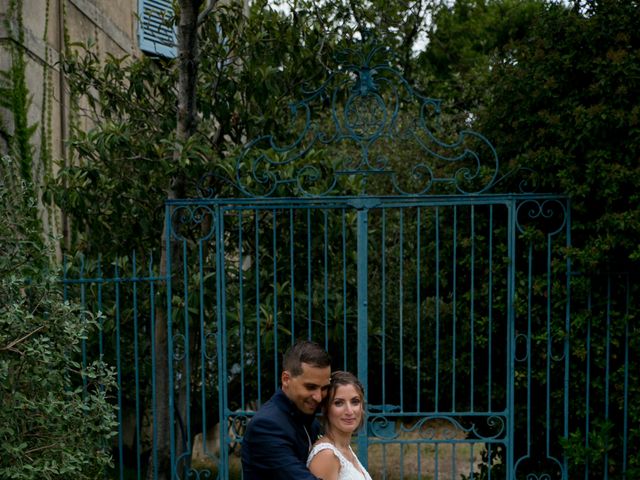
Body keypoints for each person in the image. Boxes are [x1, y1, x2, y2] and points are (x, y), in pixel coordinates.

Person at [241, 339, 332, 479]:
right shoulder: (265, 426)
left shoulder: (310, 422)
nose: (319, 397)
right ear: (286, 379)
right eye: (310, 387)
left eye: (324, 388)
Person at [307, 371, 372, 480]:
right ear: (326, 409)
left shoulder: (345, 448)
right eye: (339, 403)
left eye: (355, 402)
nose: (349, 411)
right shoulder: (326, 455)